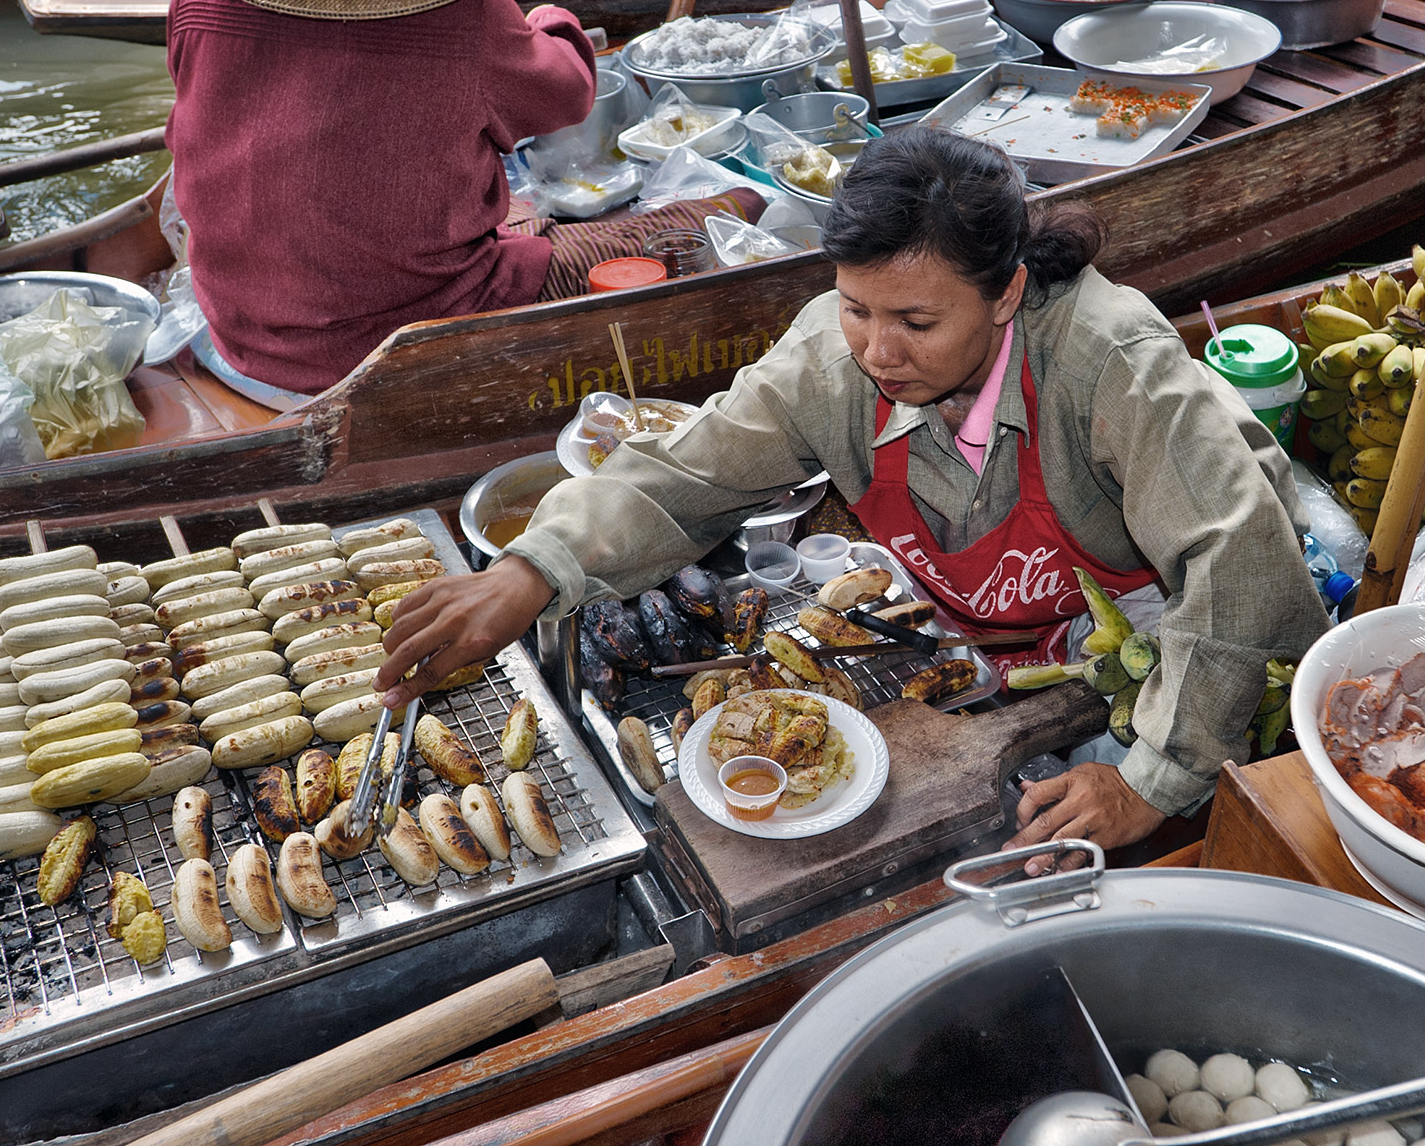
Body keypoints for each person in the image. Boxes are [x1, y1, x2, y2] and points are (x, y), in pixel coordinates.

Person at [376, 127, 1332, 863]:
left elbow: (1240, 560)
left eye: (917, 320)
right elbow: (686, 472)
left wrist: (1153, 782)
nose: (877, 350)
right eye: (856, 306)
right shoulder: (833, 360)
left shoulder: (1110, 362)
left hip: (1163, 657)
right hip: (991, 641)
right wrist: (534, 569)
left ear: (1004, 295)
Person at [163, 0, 766, 399]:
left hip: (239, 320)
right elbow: (566, 93)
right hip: (387, 329)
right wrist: (551, 20)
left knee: (512, 210)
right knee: (736, 208)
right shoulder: (455, 9)